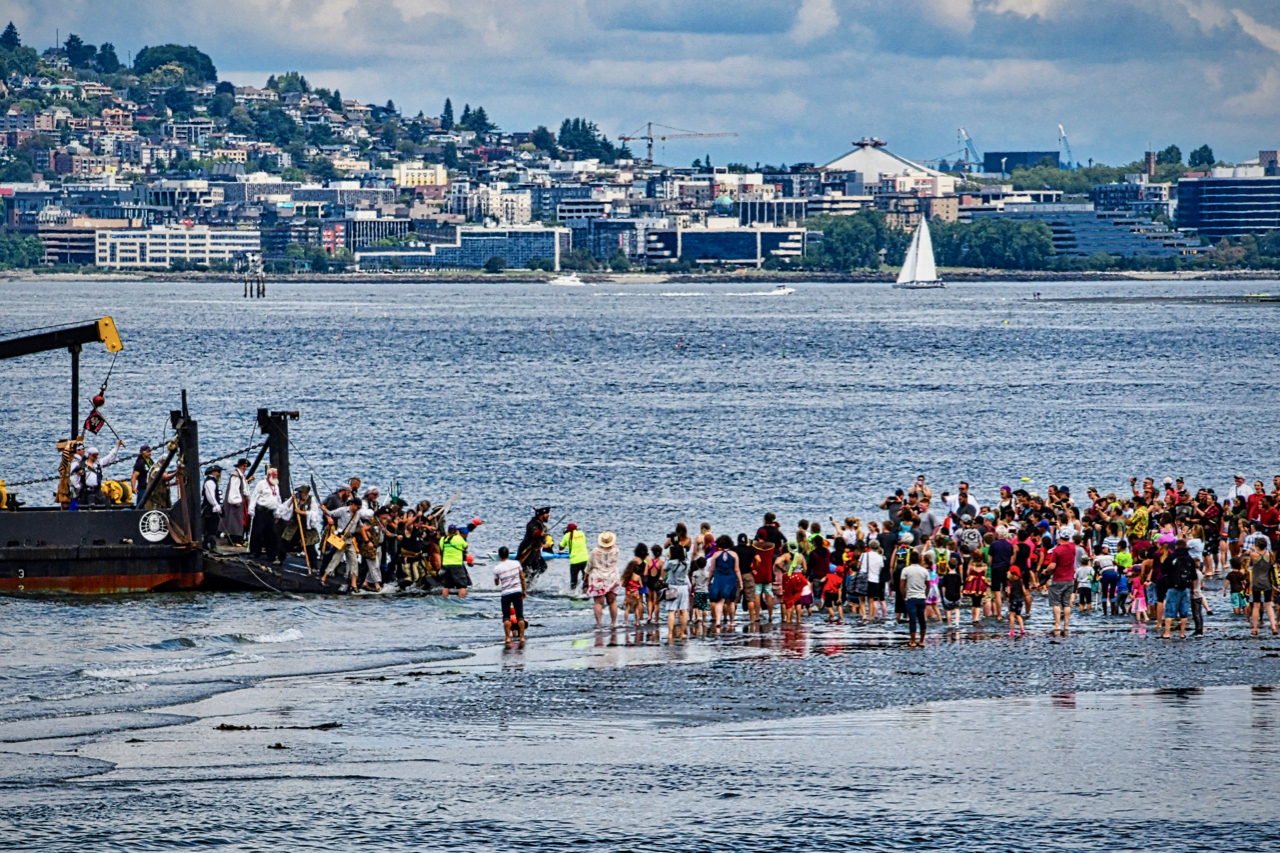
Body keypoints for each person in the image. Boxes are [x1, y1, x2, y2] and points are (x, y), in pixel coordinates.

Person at [72, 441, 125, 507]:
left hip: (97, 492)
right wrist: (79, 487)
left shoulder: (99, 464)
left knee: (102, 506)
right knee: (83, 507)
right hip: (85, 492)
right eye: (94, 456)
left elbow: (110, 458)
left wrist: (117, 446)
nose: (96, 457)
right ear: (90, 455)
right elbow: (74, 478)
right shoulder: (82, 465)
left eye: (97, 455)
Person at [586, 531, 621, 629]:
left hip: (598, 577)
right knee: (612, 601)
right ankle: (614, 623)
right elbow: (614, 546)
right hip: (612, 577)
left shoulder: (595, 551)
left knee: (598, 603)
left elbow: (589, 565)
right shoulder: (616, 551)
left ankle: (599, 624)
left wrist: (586, 575)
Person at [493, 546, 526, 643]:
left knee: (506, 616)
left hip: (506, 593)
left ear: (499, 556)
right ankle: (522, 637)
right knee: (520, 615)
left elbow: (497, 583)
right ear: (508, 554)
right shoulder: (516, 563)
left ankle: (507, 637)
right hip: (517, 591)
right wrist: (524, 590)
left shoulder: (497, 568)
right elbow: (522, 578)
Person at [1162, 540, 1195, 639]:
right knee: (1184, 612)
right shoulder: (1189, 558)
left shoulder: (1171, 557)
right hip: (1185, 587)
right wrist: (1192, 588)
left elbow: (1163, 570)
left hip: (1172, 587)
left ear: (1176, 546)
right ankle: (1182, 633)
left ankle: (1167, 633)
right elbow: (1194, 575)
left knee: (1169, 611)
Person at [1046, 531, 1078, 634]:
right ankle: (1066, 625)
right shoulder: (1073, 547)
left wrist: (1046, 571)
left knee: (1056, 603)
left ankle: (1058, 624)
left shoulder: (1057, 550)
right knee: (1066, 603)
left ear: (1060, 538)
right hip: (1070, 579)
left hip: (1058, 579)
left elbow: (1052, 566)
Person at [708, 534, 742, 630]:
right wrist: (740, 582)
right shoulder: (734, 555)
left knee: (719, 601)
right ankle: (731, 621)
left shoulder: (715, 555)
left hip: (719, 579)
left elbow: (712, 570)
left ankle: (718, 621)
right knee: (730, 602)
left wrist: (709, 580)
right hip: (730, 579)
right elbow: (737, 570)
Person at [1246, 538, 1279, 636]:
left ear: (1256, 545)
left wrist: (1253, 551)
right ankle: (1273, 626)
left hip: (1256, 582)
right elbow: (1272, 565)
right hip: (1267, 582)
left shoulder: (1253, 555)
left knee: (1256, 605)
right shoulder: (1270, 554)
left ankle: (1255, 629)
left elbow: (1250, 565)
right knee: (1268, 604)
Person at [248, 468, 281, 562]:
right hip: (261, 511)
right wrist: (251, 510)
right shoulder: (261, 484)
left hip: (271, 512)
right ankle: (254, 552)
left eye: (276, 475)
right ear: (269, 475)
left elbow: (278, 499)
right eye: (274, 475)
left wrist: (278, 513)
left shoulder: (275, 485)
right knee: (257, 532)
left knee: (272, 534)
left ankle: (272, 554)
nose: (276, 476)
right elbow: (254, 497)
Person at [900, 551, 929, 648]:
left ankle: (912, 641)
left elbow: (902, 585)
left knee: (912, 620)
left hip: (911, 597)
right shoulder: (924, 571)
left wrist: (904, 595)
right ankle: (921, 641)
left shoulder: (906, 570)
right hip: (921, 597)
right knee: (922, 619)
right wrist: (925, 594)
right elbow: (928, 585)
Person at [663, 543, 691, 641]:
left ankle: (670, 633)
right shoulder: (687, 563)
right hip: (683, 587)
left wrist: (667, 558)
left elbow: (664, 569)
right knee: (684, 610)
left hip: (672, 587)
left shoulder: (671, 562)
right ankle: (682, 633)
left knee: (672, 610)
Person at [221, 459, 252, 545]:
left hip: (243, 500)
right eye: (243, 466)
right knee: (235, 521)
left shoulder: (241, 475)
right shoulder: (235, 476)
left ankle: (240, 538)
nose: (245, 468)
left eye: (246, 466)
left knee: (242, 520)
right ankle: (235, 540)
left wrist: (247, 481)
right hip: (237, 501)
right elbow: (234, 489)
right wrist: (235, 501)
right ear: (239, 466)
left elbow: (243, 486)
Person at [518, 506, 551, 584]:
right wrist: (539, 533)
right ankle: (524, 583)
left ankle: (530, 582)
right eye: (546, 513)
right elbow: (534, 531)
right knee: (526, 568)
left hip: (535, 552)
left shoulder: (542, 525)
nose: (548, 515)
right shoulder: (533, 523)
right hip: (527, 551)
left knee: (542, 567)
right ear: (541, 515)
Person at [439, 524, 472, 597]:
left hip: (446, 564)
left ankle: (444, 601)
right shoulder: (458, 538)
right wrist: (458, 535)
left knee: (446, 585)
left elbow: (441, 548)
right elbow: (465, 546)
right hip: (457, 564)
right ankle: (461, 601)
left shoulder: (443, 539)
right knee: (462, 586)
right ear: (456, 531)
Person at [560, 522, 589, 593]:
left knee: (573, 581)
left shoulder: (567, 535)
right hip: (585, 560)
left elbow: (561, 547)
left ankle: (573, 593)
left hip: (575, 561)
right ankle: (585, 593)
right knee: (586, 579)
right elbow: (584, 542)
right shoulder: (582, 533)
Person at [201, 466, 222, 549]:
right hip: (210, 509)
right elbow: (210, 496)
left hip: (212, 509)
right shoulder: (210, 482)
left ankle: (205, 545)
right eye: (218, 472)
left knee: (211, 528)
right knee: (212, 528)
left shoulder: (213, 481)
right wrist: (216, 505)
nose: (219, 474)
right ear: (213, 472)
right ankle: (213, 547)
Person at [1006, 567, 1027, 636]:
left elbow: (1008, 592)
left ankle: (1012, 630)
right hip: (1020, 600)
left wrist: (1007, 596)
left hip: (1013, 600)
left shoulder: (1009, 582)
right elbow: (1024, 591)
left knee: (1011, 615)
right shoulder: (1020, 581)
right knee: (1018, 615)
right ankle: (1022, 629)